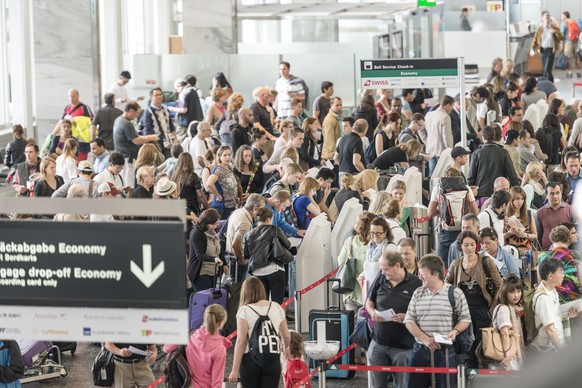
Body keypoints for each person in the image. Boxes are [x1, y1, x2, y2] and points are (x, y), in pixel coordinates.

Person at [404, 255, 471, 388]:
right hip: (420, 351)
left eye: (423, 274)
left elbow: (465, 319)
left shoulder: (455, 293)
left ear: (435, 274)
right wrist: (425, 339)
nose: (419, 277)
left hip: (444, 352)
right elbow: (409, 320)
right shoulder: (418, 293)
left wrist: (455, 330)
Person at [366, 250, 422, 388]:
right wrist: (372, 312)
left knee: (402, 384)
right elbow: (369, 301)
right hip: (378, 343)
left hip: (404, 347)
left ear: (397, 265)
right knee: (376, 384)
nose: (383, 272)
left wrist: (407, 317)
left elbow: (424, 313)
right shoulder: (381, 278)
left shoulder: (417, 284)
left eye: (386, 269)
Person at [446, 231, 502, 368]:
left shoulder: (485, 261)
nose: (469, 248)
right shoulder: (456, 264)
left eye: (472, 244)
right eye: (466, 245)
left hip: (483, 307)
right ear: (461, 246)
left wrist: (493, 306)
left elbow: (499, 285)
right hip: (463, 309)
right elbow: (447, 285)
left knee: (482, 341)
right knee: (465, 341)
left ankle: (477, 367)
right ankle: (468, 367)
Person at [228, 277, 291, 386]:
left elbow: (241, 342)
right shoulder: (276, 307)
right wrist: (286, 349)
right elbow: (286, 336)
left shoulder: (244, 310)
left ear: (245, 292)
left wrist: (234, 370)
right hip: (272, 358)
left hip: (250, 360)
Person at [164, 304, 231, 388]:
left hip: (187, 384)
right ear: (221, 323)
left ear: (205, 318)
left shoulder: (190, 335)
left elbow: (166, 348)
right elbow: (217, 381)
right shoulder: (219, 349)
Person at [428, 166, 479, 260]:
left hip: (446, 232)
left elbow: (430, 213)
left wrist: (441, 212)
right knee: (463, 262)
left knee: (443, 264)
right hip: (463, 231)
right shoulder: (466, 188)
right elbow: (475, 211)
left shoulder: (438, 188)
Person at [243, 207, 290, 304]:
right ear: (269, 219)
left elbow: (246, 255)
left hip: (257, 272)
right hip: (275, 269)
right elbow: (288, 245)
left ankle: (263, 319)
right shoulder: (275, 229)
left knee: (261, 303)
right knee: (277, 303)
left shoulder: (248, 234)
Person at [531, 258, 578, 352]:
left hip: (555, 345)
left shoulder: (552, 291)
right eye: (561, 272)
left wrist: (568, 314)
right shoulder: (543, 298)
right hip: (548, 349)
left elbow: (554, 315)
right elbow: (550, 330)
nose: (563, 275)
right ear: (551, 276)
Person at [113, 101, 158, 190]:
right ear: (131, 111)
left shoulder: (118, 119)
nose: (137, 116)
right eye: (136, 113)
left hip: (122, 154)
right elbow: (136, 140)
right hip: (128, 157)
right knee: (129, 184)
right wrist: (151, 137)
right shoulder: (127, 124)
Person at [468, 125, 520, 199]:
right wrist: (517, 192)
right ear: (494, 136)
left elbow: (471, 178)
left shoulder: (476, 154)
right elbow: (512, 175)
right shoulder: (503, 152)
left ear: (483, 137)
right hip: (500, 193)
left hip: (481, 194)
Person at [536, 225, 582, 304]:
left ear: (552, 239)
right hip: (574, 300)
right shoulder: (575, 255)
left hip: (552, 300)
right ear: (568, 238)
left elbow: (540, 282)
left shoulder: (542, 256)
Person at [226, 194, 266, 283]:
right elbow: (236, 244)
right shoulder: (245, 223)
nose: (262, 212)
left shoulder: (237, 212)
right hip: (237, 260)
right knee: (239, 290)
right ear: (255, 208)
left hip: (231, 257)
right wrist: (242, 261)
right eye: (261, 208)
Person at [337, 213, 372, 313]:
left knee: (352, 325)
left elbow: (340, 261)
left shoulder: (350, 241)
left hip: (351, 291)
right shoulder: (375, 245)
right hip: (369, 293)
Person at [490, 274, 525, 370]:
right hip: (507, 355)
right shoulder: (504, 309)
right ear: (505, 292)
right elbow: (504, 333)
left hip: (509, 354)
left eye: (518, 291)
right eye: (512, 292)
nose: (516, 295)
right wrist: (507, 356)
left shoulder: (513, 308)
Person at [188, 208, 225, 292]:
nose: (216, 226)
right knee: (206, 300)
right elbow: (199, 255)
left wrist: (224, 264)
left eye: (217, 223)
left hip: (213, 271)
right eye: (213, 224)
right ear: (206, 223)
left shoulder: (212, 232)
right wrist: (214, 259)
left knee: (211, 298)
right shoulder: (196, 233)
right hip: (200, 272)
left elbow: (218, 250)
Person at [140, 87, 177, 158]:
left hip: (168, 141)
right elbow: (146, 130)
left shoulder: (165, 108)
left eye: (160, 94)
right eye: (156, 95)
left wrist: (174, 135)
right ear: (151, 97)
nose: (159, 97)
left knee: (168, 162)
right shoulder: (148, 111)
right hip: (156, 143)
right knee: (159, 164)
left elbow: (170, 124)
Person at [537, 182, 576, 249]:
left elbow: (575, 233)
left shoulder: (571, 210)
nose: (555, 196)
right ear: (546, 195)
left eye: (557, 193)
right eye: (552, 194)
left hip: (567, 251)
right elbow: (538, 234)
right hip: (547, 251)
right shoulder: (540, 212)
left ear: (561, 194)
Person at [362, 216, 397, 289]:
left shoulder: (390, 248)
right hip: (369, 290)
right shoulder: (370, 247)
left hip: (382, 290)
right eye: (372, 232)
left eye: (378, 233)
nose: (374, 235)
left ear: (385, 232)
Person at [422, 95, 454, 174]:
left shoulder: (428, 115)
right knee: (441, 175)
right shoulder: (445, 117)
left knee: (432, 175)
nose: (452, 109)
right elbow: (446, 137)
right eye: (452, 106)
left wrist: (427, 141)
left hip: (430, 150)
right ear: (447, 105)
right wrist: (450, 151)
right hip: (441, 151)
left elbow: (421, 130)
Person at [171, 152, 208, 220]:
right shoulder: (193, 176)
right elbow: (200, 195)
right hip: (191, 209)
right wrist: (207, 207)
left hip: (178, 208)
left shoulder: (174, 175)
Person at [530, 11, 564, 83]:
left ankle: (549, 84)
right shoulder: (540, 28)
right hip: (542, 50)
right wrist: (532, 49)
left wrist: (555, 32)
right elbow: (535, 39)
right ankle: (548, 84)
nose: (547, 20)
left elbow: (561, 37)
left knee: (547, 69)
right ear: (543, 19)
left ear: (550, 20)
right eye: (546, 18)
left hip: (551, 50)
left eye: (548, 18)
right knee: (546, 70)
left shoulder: (554, 27)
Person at [60, 88, 93, 160]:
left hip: (82, 141)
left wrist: (77, 121)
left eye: (73, 96)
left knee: (81, 162)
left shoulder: (84, 108)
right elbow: (61, 122)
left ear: (78, 96)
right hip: (70, 140)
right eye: (70, 96)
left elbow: (91, 121)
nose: (71, 98)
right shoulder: (67, 108)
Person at [168, 76, 205, 142]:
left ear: (179, 85)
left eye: (177, 89)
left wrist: (171, 109)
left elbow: (183, 110)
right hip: (196, 122)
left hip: (185, 124)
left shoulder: (183, 93)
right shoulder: (193, 90)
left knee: (181, 142)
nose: (178, 91)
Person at [207, 146, 239, 219]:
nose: (227, 157)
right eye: (224, 155)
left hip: (231, 206)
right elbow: (209, 183)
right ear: (219, 157)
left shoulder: (228, 167)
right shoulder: (218, 170)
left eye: (229, 155)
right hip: (222, 207)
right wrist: (218, 195)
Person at [505, 186, 538, 256]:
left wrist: (524, 235)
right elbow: (499, 238)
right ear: (512, 199)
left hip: (527, 252)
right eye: (517, 199)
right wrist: (509, 233)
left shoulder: (528, 214)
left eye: (522, 199)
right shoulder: (505, 215)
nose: (520, 201)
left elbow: (535, 236)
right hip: (510, 252)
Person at [560, 11, 581, 79]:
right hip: (576, 41)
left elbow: (562, 36)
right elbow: (579, 31)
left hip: (568, 42)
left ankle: (570, 73)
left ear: (565, 16)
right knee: (577, 57)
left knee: (569, 58)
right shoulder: (574, 22)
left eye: (562, 16)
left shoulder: (564, 24)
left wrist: (561, 46)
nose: (561, 17)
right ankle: (578, 72)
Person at [321, 97, 343, 161]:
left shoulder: (338, 117)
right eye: (337, 105)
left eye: (340, 105)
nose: (339, 107)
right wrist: (334, 155)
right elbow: (329, 139)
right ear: (331, 105)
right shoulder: (330, 120)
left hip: (337, 152)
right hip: (331, 156)